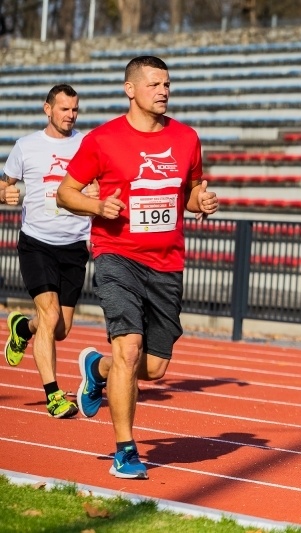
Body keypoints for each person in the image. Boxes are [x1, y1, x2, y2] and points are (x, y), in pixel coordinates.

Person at [56, 56, 219, 480]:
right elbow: (65, 193)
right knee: (128, 348)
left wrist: (200, 201)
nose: (163, 91)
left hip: (167, 263)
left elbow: (188, 193)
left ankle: (97, 369)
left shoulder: (187, 138)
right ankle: (125, 451)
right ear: (130, 89)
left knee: (154, 368)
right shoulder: (102, 139)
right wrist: (97, 206)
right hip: (116, 254)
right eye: (154, 84)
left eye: (167, 84)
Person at [0, 84, 98, 419]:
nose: (71, 115)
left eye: (75, 109)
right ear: (48, 109)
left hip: (74, 245)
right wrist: (4, 195)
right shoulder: (26, 146)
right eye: (64, 109)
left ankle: (22, 328)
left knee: (60, 329)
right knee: (50, 314)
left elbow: (101, 184)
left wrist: (97, 192)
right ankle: (53, 396)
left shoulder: (88, 144)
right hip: (37, 243)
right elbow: (5, 184)